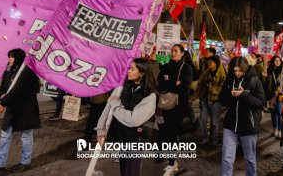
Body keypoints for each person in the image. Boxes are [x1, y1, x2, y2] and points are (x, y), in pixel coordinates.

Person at [96, 58, 157, 176]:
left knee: (131, 172)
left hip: (137, 140)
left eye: (132, 69)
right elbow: (108, 108)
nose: (128, 71)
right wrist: (100, 130)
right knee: (123, 170)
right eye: (128, 68)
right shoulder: (122, 87)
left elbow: (134, 120)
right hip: (123, 136)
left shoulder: (150, 95)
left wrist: (117, 107)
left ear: (142, 73)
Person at [0, 49, 41, 176]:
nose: (10, 59)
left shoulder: (27, 71)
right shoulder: (8, 71)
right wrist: (1, 97)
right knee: (5, 135)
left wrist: (3, 102)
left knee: (26, 135)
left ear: (19, 58)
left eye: (12, 57)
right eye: (9, 57)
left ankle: (25, 162)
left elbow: (19, 89)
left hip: (25, 109)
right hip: (12, 109)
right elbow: (3, 88)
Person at [219, 56, 266, 176]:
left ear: (245, 68)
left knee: (250, 159)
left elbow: (261, 103)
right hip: (230, 125)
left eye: (240, 70)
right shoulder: (230, 80)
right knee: (226, 158)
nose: (237, 73)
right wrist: (231, 95)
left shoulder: (255, 81)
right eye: (234, 70)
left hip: (248, 126)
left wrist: (243, 94)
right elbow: (221, 99)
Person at [157, 44, 193, 176]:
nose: (173, 53)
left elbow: (185, 89)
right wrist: (175, 83)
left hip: (179, 106)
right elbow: (160, 84)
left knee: (172, 133)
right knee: (166, 132)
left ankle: (172, 163)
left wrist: (170, 84)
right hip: (166, 104)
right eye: (171, 51)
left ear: (182, 53)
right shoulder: (165, 66)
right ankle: (170, 159)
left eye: (176, 51)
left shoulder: (187, 68)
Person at [193, 55, 226, 145]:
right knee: (202, 119)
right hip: (204, 99)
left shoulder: (222, 74)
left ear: (216, 63)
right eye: (208, 61)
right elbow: (199, 84)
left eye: (211, 62)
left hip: (216, 101)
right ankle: (205, 138)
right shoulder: (205, 73)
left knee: (214, 122)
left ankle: (214, 140)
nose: (208, 63)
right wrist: (195, 96)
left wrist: (212, 89)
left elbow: (223, 87)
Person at [264, 55, 283, 138]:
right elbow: (266, 84)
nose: (277, 62)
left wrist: (280, 91)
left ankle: (279, 130)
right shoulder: (269, 71)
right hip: (271, 95)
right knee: (273, 113)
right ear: (273, 62)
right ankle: (274, 129)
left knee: (279, 112)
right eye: (275, 60)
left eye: (279, 60)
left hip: (280, 95)